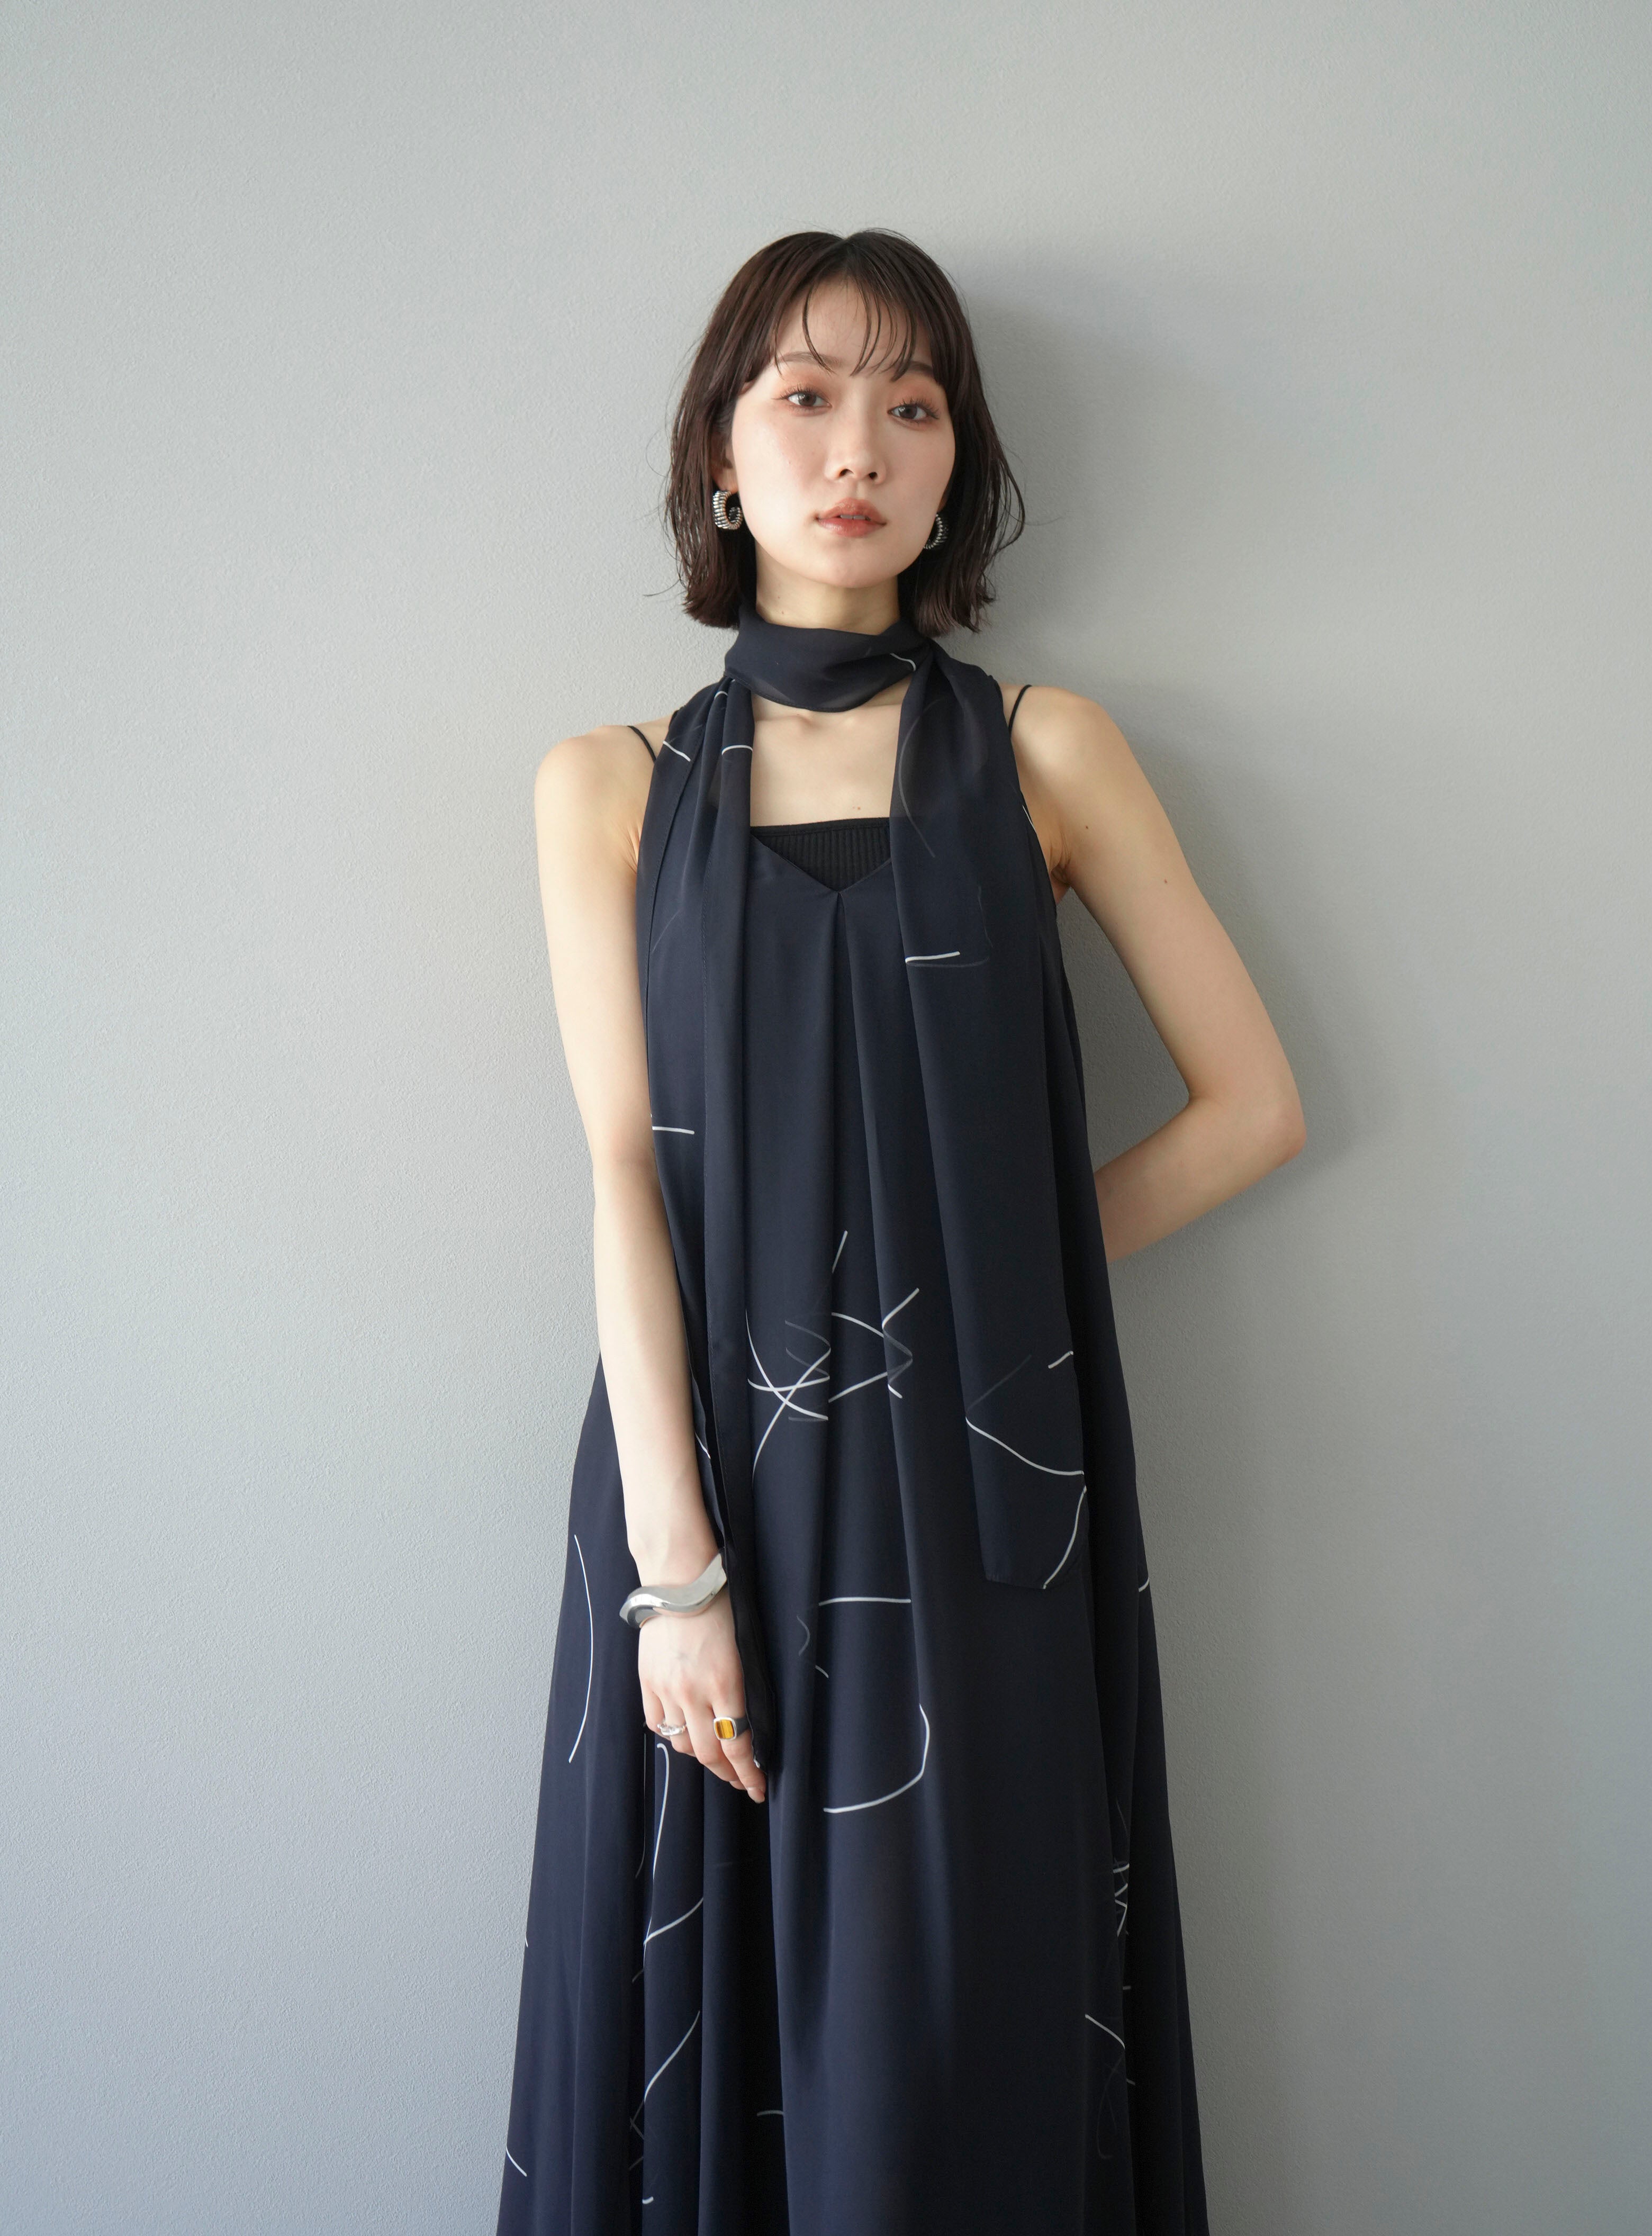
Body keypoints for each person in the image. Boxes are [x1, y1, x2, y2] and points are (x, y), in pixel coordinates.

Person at [497, 228, 1304, 2236]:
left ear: (958, 468)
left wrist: (989, 1285)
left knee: (963, 2053)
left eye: (913, 405)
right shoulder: (608, 788)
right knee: (693, 2039)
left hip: (980, 1511)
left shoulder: (1045, 753)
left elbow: (1253, 1110)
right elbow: (622, 1168)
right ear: (721, 454)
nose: (859, 446)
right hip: (705, 1501)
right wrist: (673, 1572)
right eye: (806, 394)